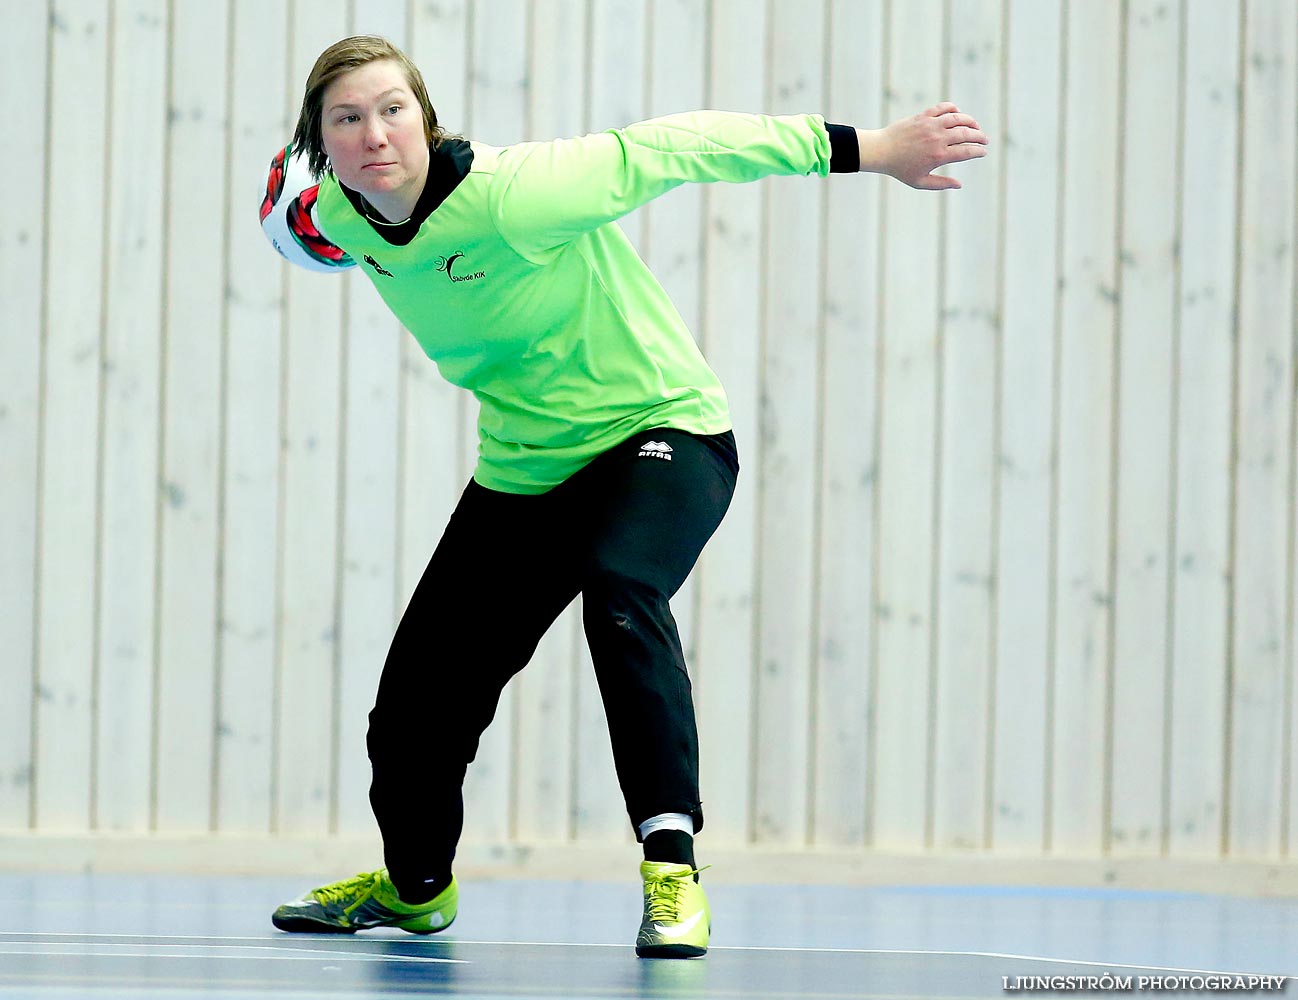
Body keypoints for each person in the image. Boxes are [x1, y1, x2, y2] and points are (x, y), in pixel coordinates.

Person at [263, 34, 987, 958]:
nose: (376, 133)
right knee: (412, 711)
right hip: (527, 470)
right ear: (323, 141)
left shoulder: (514, 194)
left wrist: (876, 147)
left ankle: (672, 869)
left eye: (393, 108)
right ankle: (414, 891)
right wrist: (286, 223)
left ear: (425, 115)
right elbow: (296, 231)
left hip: (664, 432)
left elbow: (679, 144)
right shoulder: (340, 215)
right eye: (349, 118)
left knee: (620, 591)